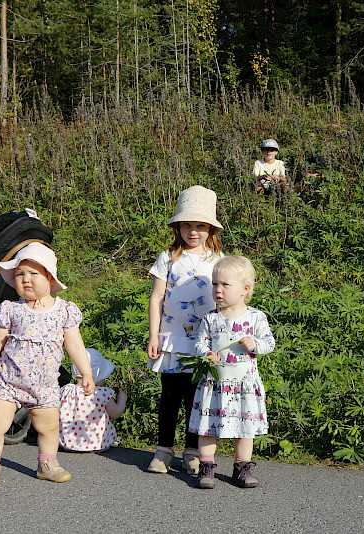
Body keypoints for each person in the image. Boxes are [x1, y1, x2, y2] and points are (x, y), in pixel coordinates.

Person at [0, 242, 94, 488]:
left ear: (49, 277)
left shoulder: (64, 311)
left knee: (48, 427)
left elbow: (75, 345)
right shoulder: (11, 310)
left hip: (44, 385)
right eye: (20, 274)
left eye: (33, 273)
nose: (25, 279)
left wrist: (85, 372)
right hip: (7, 381)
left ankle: (48, 464)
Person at [146, 185, 225, 475]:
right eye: (187, 225)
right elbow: (156, 298)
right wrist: (154, 335)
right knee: (170, 396)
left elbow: (225, 299)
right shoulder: (168, 257)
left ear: (210, 229)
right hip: (171, 339)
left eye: (200, 226)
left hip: (204, 342)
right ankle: (163, 451)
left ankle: (192, 451)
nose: (193, 232)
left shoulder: (217, 260)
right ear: (178, 226)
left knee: (198, 396)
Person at [189, 255, 275, 489]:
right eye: (215, 284)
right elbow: (199, 344)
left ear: (245, 289)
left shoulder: (256, 317)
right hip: (214, 384)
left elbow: (269, 343)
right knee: (208, 427)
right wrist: (206, 354)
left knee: (244, 429)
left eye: (225, 285)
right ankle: (206, 467)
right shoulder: (211, 318)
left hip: (244, 385)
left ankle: (242, 468)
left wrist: (255, 344)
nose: (218, 289)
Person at [59, 348, 128, 452]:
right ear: (98, 376)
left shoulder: (66, 390)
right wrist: (122, 399)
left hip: (66, 443)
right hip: (98, 444)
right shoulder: (101, 393)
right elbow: (115, 413)